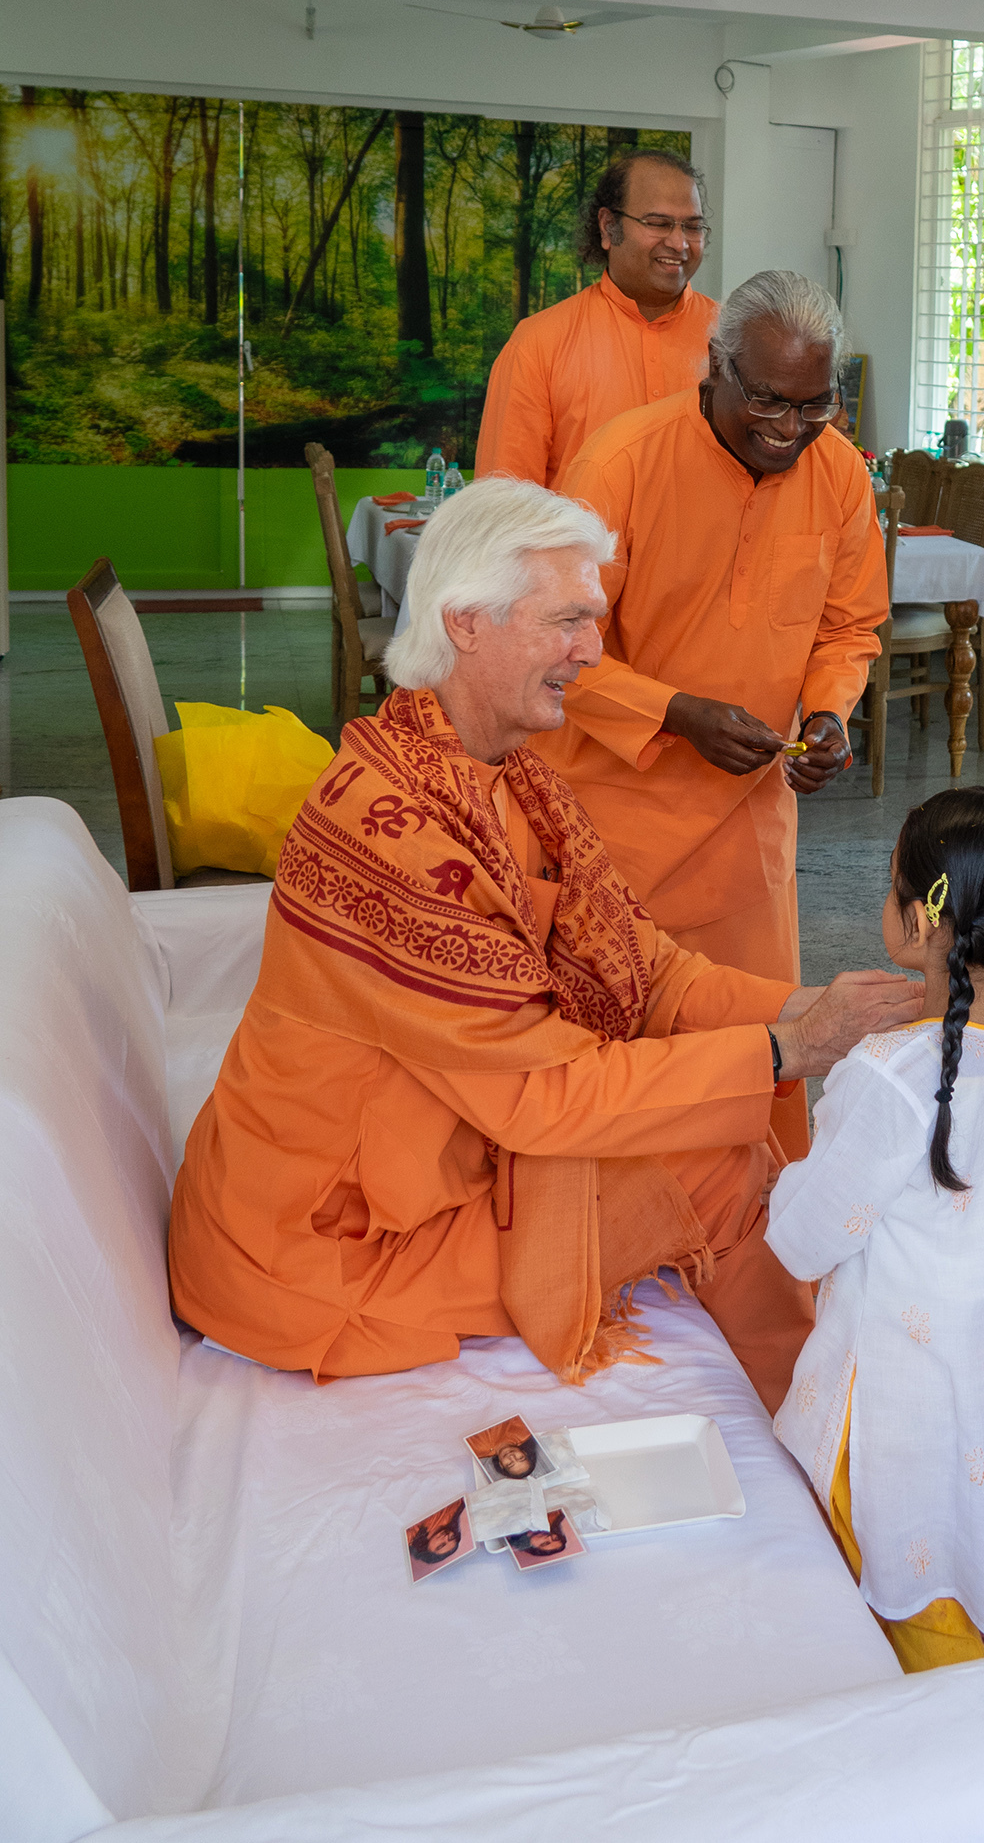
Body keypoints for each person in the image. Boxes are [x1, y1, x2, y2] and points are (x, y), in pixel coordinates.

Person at [167, 479, 920, 1412]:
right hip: (322, 1246)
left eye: (592, 621)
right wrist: (788, 1050)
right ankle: (825, 1431)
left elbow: (646, 970)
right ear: (467, 624)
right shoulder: (392, 831)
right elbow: (541, 1096)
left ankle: (818, 1404)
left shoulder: (506, 780)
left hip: (424, 1171)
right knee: (720, 1158)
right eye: (567, 622)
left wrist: (810, 1013)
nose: (593, 653)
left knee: (726, 1139)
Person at [540, 270, 888, 1163]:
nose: (789, 428)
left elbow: (851, 627)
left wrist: (829, 715)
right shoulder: (618, 465)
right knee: (619, 1061)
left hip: (747, 834)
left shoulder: (839, 472)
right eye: (768, 400)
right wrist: (676, 713)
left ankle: (751, 1258)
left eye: (816, 405)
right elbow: (554, 645)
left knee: (758, 1058)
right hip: (613, 828)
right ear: (716, 368)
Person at [766, 788, 984, 1672]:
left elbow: (804, 1240)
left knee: (902, 1590)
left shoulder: (892, 1071)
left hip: (893, 1397)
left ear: (923, 919)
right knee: (956, 1550)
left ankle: (975, 1769)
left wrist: (772, 1178)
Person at [475, 149, 718, 491]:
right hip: (584, 546)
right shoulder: (538, 344)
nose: (679, 243)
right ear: (608, 227)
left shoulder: (734, 339)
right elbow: (505, 506)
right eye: (658, 223)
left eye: (692, 227)